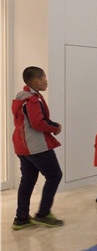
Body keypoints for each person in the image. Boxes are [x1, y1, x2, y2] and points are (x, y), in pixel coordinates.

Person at [11, 66, 64, 229]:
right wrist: (55, 128)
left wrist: (53, 125)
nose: (46, 81)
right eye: (44, 78)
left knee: (27, 180)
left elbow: (34, 120)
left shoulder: (22, 98)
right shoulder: (32, 100)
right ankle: (43, 214)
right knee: (54, 175)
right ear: (36, 81)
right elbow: (37, 123)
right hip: (36, 146)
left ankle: (21, 218)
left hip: (22, 145)